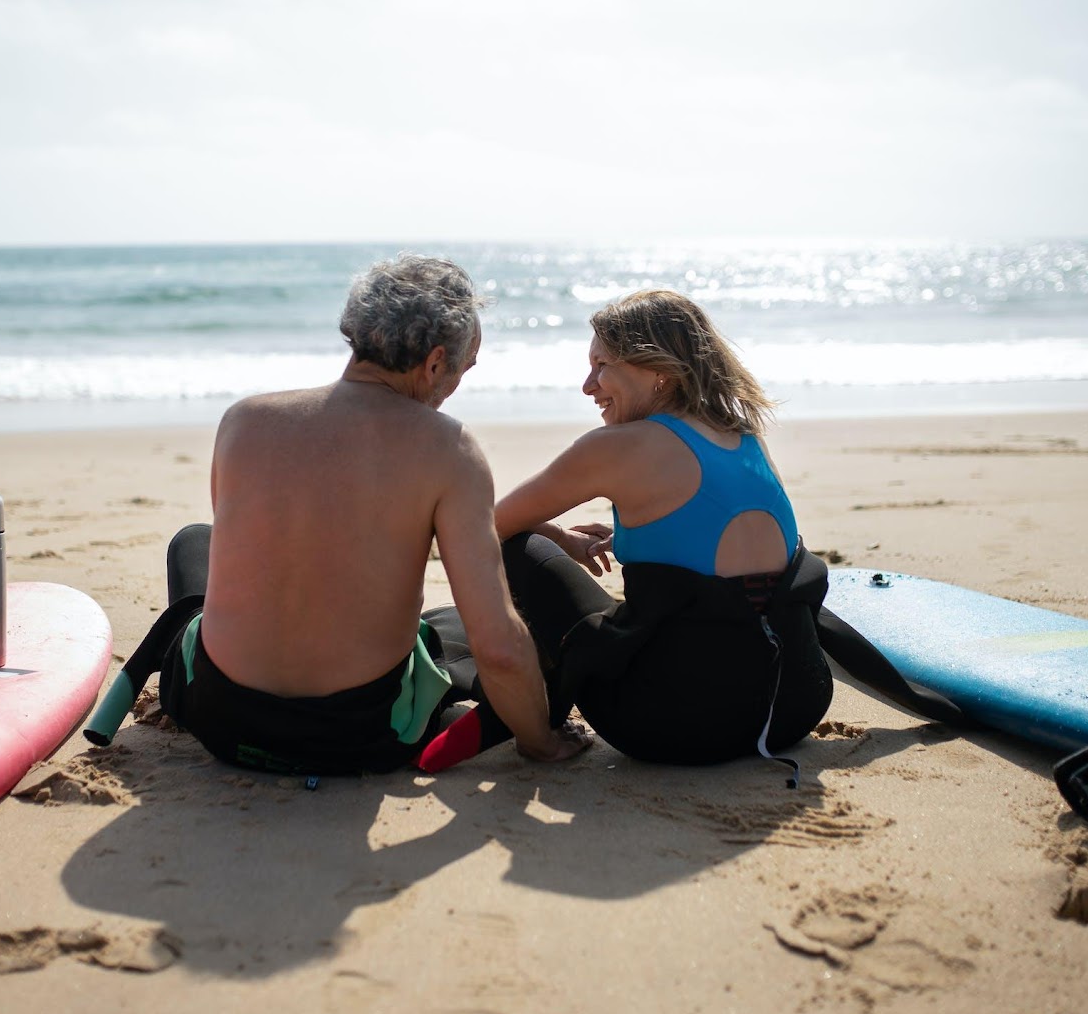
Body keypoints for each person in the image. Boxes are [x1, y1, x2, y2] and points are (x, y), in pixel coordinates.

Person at [155, 255, 591, 775]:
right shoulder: (449, 449)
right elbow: (497, 648)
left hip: (220, 720)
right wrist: (539, 741)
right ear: (434, 363)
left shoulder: (244, 420)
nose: (456, 384)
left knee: (195, 544)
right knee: (471, 632)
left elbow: (269, 554)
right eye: (463, 367)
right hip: (356, 735)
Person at [421, 289, 832, 777]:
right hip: (795, 703)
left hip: (673, 725)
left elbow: (485, 527)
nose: (587, 386)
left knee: (520, 548)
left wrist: (557, 537)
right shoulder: (743, 434)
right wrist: (635, 539)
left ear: (659, 371)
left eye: (601, 366)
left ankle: (531, 712)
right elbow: (738, 555)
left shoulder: (615, 448)